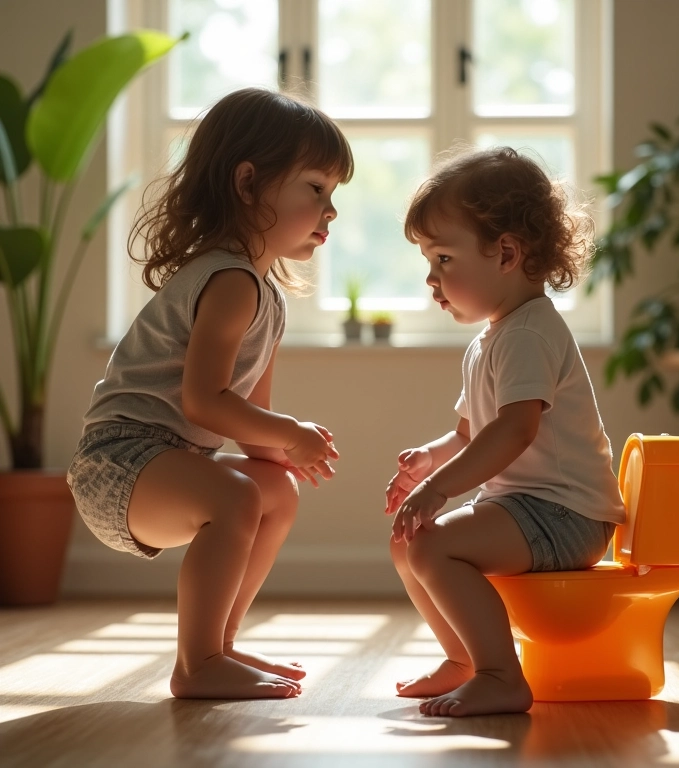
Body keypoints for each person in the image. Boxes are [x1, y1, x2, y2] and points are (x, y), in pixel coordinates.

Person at [67, 88, 353, 700]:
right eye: (316, 189)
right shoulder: (227, 280)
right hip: (118, 462)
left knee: (273, 488)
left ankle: (217, 643)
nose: (331, 211)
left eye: (334, 194)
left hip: (169, 462)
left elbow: (251, 420)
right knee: (235, 496)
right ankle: (196, 663)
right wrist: (290, 434)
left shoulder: (265, 294)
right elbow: (205, 403)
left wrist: (287, 449)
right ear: (248, 183)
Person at [384, 146, 626, 717]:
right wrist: (430, 460)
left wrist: (439, 488)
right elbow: (472, 434)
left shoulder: (527, 336)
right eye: (427, 258)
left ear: (507, 253)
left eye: (444, 257)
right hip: (529, 506)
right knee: (409, 541)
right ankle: (465, 658)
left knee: (433, 542)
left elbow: (514, 432)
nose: (430, 276)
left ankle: (499, 674)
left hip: (566, 515)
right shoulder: (493, 338)